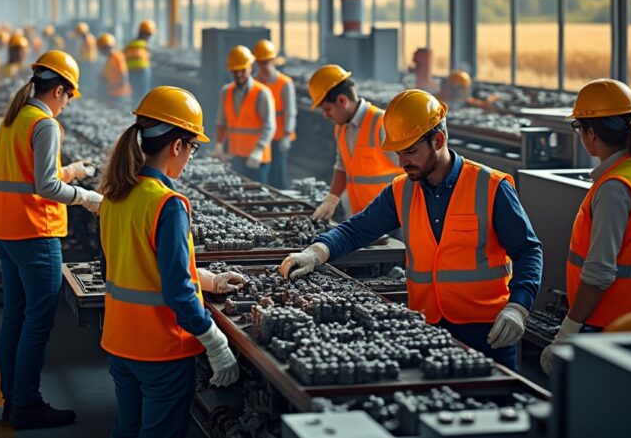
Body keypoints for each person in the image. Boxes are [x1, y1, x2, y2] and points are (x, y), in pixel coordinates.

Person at [279, 89, 543, 369]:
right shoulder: (401, 191)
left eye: (410, 151)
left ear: (438, 140)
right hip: (427, 330)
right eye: (398, 152)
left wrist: (518, 306)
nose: (402, 162)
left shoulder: (491, 187)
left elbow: (528, 250)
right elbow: (355, 230)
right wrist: (315, 252)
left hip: (489, 333)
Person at [100, 86, 244, 438]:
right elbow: (178, 291)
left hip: (119, 342)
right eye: (192, 147)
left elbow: (122, 267)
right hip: (160, 351)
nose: (191, 156)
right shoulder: (168, 204)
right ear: (177, 146)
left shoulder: (114, 196)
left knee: (127, 429)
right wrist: (215, 342)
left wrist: (207, 279)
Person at [0, 50, 103, 430]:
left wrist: (73, 170)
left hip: (5, 230)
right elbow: (45, 185)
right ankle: (28, 404)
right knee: (37, 322)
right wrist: (88, 199)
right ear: (59, 90)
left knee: (15, 317)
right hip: (34, 233)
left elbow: (31, 173)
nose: (68, 104)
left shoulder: (17, 116)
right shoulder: (46, 124)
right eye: (69, 96)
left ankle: (13, 399)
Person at [541, 79, 631, 373]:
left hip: (609, 327)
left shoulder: (615, 187)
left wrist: (567, 333)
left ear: (590, 132)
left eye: (578, 128)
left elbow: (600, 271)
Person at [307, 64, 403, 222]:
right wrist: (332, 198)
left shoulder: (382, 124)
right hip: (361, 219)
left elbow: (412, 171)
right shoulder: (341, 128)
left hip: (392, 219)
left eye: (327, 109)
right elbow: (342, 166)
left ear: (342, 100)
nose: (325, 115)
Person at [212, 45, 275, 183]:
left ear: (250, 67)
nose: (239, 74)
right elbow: (221, 122)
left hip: (257, 160)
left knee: (258, 200)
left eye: (242, 70)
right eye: (235, 71)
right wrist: (219, 144)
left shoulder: (261, 93)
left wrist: (258, 150)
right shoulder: (226, 92)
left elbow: (269, 126)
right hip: (236, 156)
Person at [253, 40, 296, 189]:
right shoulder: (254, 82)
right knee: (262, 177)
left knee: (278, 176)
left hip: (278, 138)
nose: (264, 66)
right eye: (261, 62)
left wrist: (286, 135)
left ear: (273, 60)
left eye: (266, 62)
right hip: (261, 137)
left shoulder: (284, 83)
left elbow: (290, 111)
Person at [124, 20, 155, 107]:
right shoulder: (145, 45)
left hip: (131, 71)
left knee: (135, 93)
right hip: (142, 71)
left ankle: (134, 108)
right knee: (143, 94)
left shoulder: (130, 44)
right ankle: (142, 110)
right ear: (148, 34)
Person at [98, 33, 130, 106]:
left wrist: (114, 86)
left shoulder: (117, 56)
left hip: (120, 94)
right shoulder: (109, 60)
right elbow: (105, 77)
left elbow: (124, 75)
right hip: (112, 93)